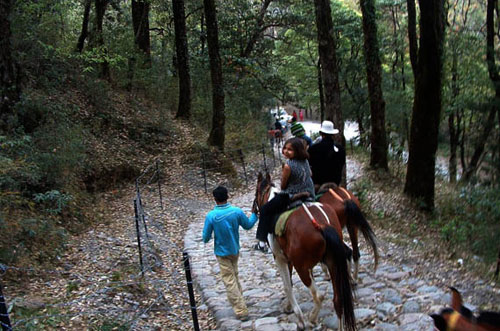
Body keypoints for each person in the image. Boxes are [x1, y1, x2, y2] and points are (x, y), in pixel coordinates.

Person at [202, 186, 258, 321]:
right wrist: (255, 214)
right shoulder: (237, 212)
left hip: (221, 252)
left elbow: (205, 238)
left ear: (215, 199)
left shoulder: (211, 216)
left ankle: (240, 310)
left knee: (229, 280)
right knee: (235, 275)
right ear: (227, 196)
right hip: (235, 249)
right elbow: (248, 225)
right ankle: (241, 299)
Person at [255, 137, 315, 245]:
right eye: (285, 148)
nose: (286, 151)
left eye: (290, 149)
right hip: (309, 192)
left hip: (291, 194)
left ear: (297, 151)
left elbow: (283, 186)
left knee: (265, 209)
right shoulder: (305, 161)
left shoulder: (288, 166)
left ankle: (262, 239)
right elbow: (310, 174)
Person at [308, 120, 346, 190]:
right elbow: (342, 164)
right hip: (335, 182)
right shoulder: (340, 148)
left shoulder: (313, 148)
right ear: (333, 134)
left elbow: (308, 166)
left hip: (317, 183)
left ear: (321, 133)